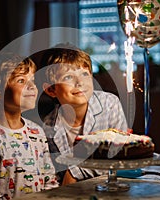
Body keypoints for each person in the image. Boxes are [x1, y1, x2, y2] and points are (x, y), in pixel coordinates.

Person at [0, 52, 59, 200]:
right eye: (22, 81)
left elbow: (50, 182)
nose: (32, 87)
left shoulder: (37, 132)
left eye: (33, 81)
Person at [40, 43, 128, 185]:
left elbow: (119, 155)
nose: (80, 82)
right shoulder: (48, 128)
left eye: (85, 74)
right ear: (51, 90)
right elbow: (58, 174)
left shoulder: (109, 104)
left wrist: (75, 172)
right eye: (68, 77)